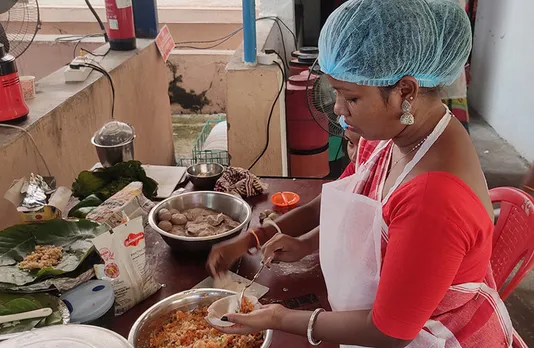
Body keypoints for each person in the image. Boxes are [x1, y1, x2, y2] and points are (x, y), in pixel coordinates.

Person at [207, 0, 514, 347]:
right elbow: (348, 200)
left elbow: (388, 330)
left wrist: (279, 317)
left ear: (405, 92)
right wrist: (270, 239)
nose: (338, 111)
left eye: (350, 97)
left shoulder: (434, 201)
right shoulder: (399, 133)